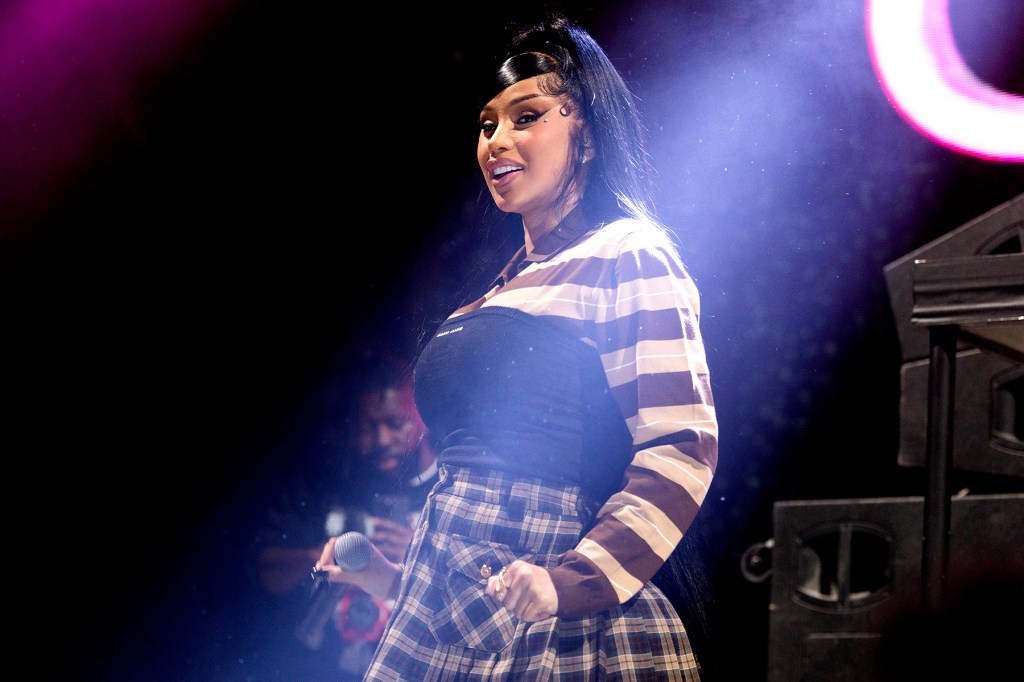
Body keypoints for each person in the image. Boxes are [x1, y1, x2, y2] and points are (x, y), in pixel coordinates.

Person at [316, 13, 718, 680]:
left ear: (587, 136)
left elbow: (680, 448)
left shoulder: (628, 252)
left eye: (526, 117)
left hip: (571, 628)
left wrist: (570, 580)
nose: (496, 141)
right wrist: (388, 576)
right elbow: (481, 530)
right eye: (487, 125)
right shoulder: (495, 290)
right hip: (451, 629)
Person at [251, 349, 438, 680]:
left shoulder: (449, 487)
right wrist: (327, 556)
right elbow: (266, 572)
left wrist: (421, 555)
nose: (382, 439)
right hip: (318, 669)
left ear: (421, 416)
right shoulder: (329, 485)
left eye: (395, 423)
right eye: (367, 427)